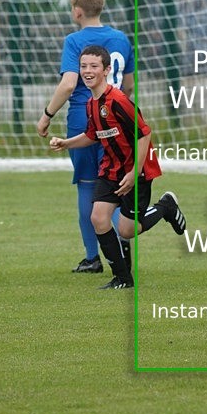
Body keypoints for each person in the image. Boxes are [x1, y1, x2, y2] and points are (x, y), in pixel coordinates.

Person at [49, 46, 186, 289]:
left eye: (94, 66)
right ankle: (123, 278)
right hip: (110, 170)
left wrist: (134, 173)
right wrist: (66, 142)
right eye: (83, 66)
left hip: (137, 172)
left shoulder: (119, 101)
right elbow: (93, 135)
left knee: (126, 229)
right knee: (98, 218)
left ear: (107, 69)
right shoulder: (91, 104)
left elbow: (144, 135)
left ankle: (165, 207)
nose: (87, 71)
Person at [36, 0, 134, 274]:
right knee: (115, 186)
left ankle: (93, 257)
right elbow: (128, 85)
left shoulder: (75, 40)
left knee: (89, 187)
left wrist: (46, 115)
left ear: (77, 11)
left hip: (85, 117)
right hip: (117, 116)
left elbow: (68, 83)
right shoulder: (121, 39)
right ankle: (122, 254)